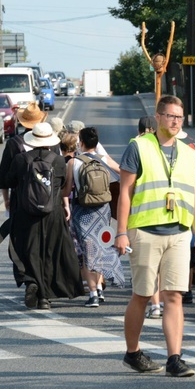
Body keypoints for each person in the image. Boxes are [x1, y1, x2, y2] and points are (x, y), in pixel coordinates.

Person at [116, 95, 195, 378]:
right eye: (170, 116)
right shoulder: (139, 147)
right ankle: (132, 353)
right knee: (143, 295)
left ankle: (175, 358)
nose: (175, 121)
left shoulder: (190, 152)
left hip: (179, 232)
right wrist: (121, 232)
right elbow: (125, 192)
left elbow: (194, 196)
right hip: (145, 230)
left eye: (179, 117)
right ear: (158, 117)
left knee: (174, 296)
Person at [5, 122, 83, 310]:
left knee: (30, 250)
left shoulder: (21, 160)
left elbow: (8, 181)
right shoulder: (57, 160)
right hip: (52, 212)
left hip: (26, 212)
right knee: (49, 252)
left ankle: (32, 280)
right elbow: (63, 184)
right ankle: (45, 297)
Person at [63, 127, 124, 308]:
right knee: (99, 249)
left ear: (80, 143)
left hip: (82, 211)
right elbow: (123, 172)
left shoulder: (73, 163)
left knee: (85, 252)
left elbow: (67, 190)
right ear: (96, 144)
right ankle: (100, 287)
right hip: (103, 210)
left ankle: (93, 294)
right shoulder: (103, 159)